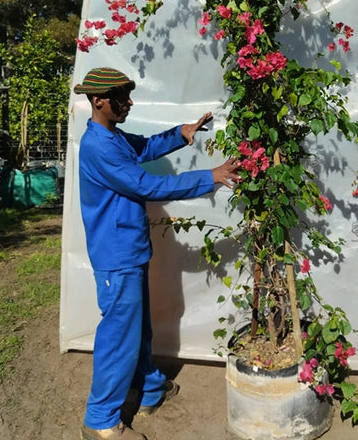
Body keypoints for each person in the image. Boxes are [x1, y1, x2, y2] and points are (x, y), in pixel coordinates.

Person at [73, 67, 241, 440]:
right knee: (119, 335)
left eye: (129, 96)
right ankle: (100, 421)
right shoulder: (99, 147)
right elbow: (144, 184)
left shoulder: (112, 137)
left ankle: (148, 386)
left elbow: (144, 149)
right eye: (120, 97)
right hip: (116, 258)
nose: (128, 103)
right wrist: (209, 176)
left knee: (139, 328)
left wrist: (180, 135)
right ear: (98, 101)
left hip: (130, 250)